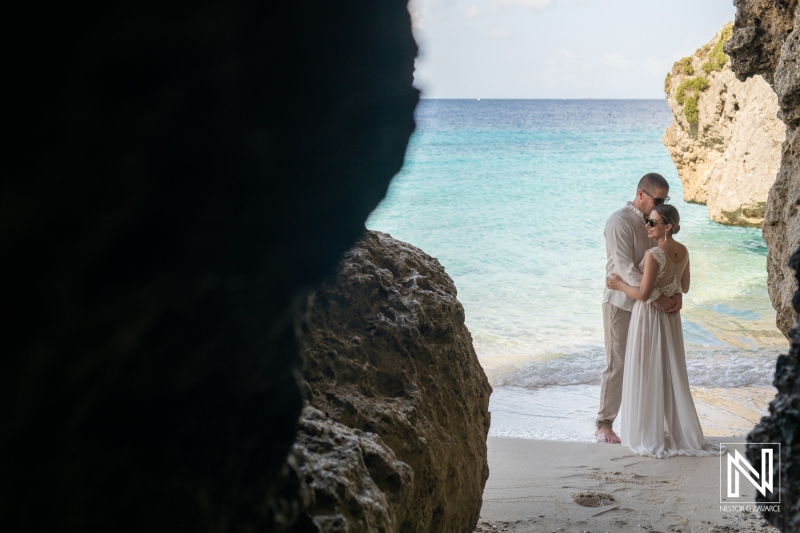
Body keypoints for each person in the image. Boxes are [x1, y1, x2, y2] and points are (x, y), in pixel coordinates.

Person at [607, 205, 721, 457]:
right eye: (647, 221)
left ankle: (648, 433)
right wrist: (676, 295)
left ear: (667, 227)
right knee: (669, 370)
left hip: (649, 317)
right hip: (671, 319)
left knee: (647, 369)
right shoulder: (683, 250)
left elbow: (643, 294)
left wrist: (618, 284)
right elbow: (686, 286)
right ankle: (673, 430)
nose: (647, 226)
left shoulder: (653, 254)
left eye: (653, 223)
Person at [596, 173, 681, 444]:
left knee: (652, 364)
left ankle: (648, 423)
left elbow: (668, 261)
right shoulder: (619, 222)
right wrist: (655, 297)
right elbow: (624, 268)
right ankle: (604, 423)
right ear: (641, 194)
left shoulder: (656, 222)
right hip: (620, 303)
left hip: (649, 309)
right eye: (658, 198)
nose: (661, 204)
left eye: (665, 200)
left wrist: (676, 292)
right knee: (618, 364)